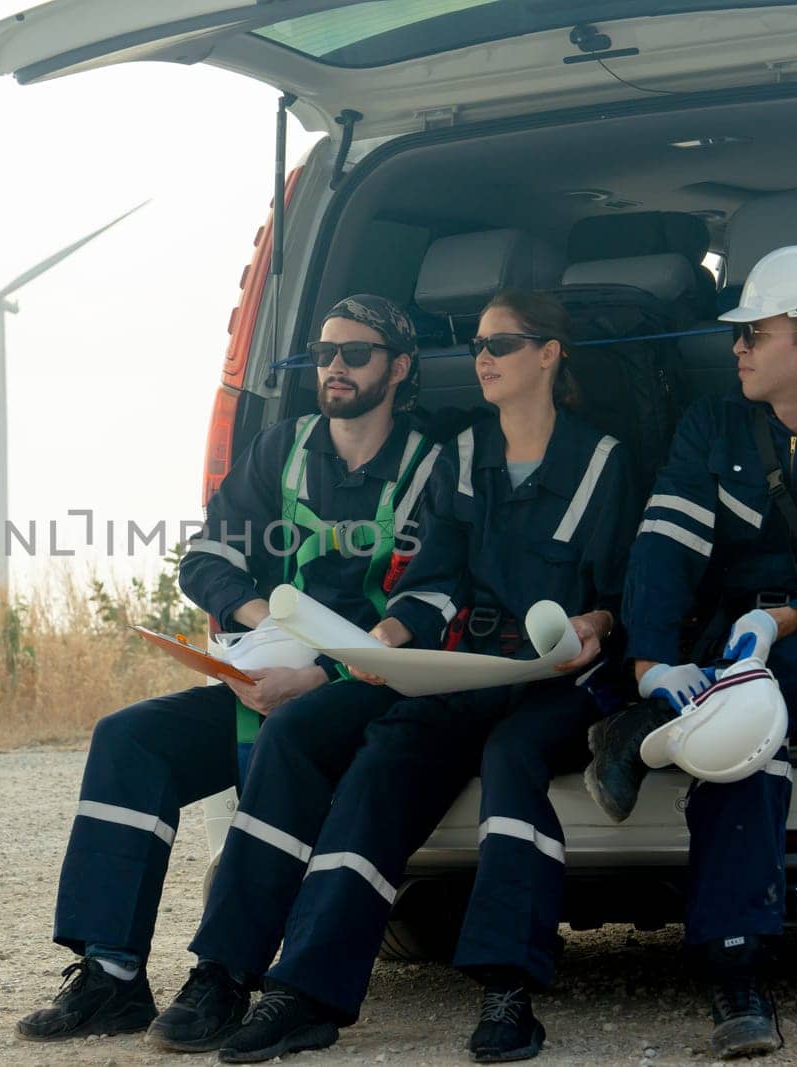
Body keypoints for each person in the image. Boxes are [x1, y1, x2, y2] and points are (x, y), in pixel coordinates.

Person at [191, 289, 639, 1064]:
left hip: (563, 678)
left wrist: (595, 626)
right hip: (461, 668)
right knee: (365, 757)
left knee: (510, 759)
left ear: (549, 354)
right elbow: (433, 582)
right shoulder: (464, 456)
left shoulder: (604, 461)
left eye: (502, 343)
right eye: (478, 347)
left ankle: (509, 992)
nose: (485, 358)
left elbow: (629, 594)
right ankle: (300, 992)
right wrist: (380, 649)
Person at [14, 294, 463, 1048]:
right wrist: (265, 632)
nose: (336, 368)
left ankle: (224, 975)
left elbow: (431, 597)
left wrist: (318, 667)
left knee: (290, 733)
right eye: (325, 353)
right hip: (269, 677)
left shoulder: (429, 466)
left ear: (400, 367)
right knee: (129, 739)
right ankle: (112, 974)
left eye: (356, 353)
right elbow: (207, 556)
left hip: (363, 687)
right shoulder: (281, 449)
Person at [585, 245, 797, 1058]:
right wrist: (650, 660)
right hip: (734, 660)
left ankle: (649, 727)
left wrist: (785, 623)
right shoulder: (710, 424)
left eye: (754, 332)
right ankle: (735, 973)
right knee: (748, 739)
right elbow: (664, 548)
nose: (735, 347)